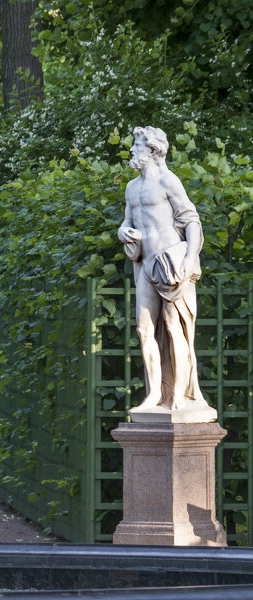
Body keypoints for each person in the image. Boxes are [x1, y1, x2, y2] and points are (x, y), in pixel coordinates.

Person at [118, 126, 212, 418]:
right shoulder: (131, 188)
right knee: (144, 329)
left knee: (174, 329)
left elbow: (191, 220)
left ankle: (181, 397)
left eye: (137, 146)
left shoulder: (168, 181)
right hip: (146, 264)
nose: (132, 150)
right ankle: (155, 394)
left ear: (153, 150)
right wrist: (123, 231)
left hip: (171, 263)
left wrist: (190, 257)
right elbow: (127, 221)